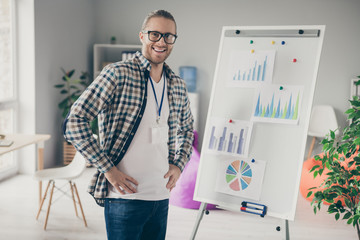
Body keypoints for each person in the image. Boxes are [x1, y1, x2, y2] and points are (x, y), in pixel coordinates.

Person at [63, 9, 194, 240]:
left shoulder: (177, 84)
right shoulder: (118, 74)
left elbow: (185, 129)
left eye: (168, 36)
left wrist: (178, 165)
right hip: (124, 198)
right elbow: (74, 121)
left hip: (161, 196)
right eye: (155, 34)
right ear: (142, 36)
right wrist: (109, 170)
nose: (161, 41)